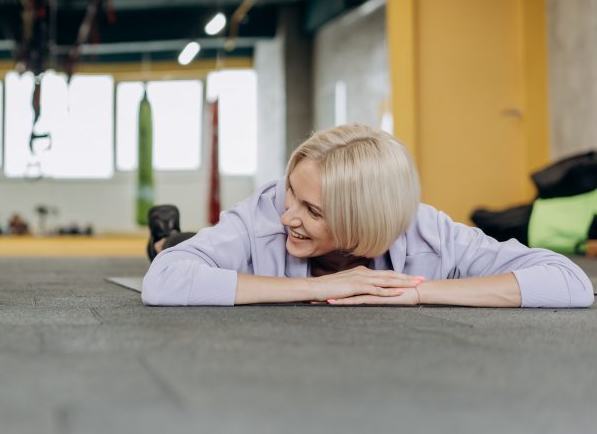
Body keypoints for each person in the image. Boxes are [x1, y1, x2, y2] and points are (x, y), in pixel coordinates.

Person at [143, 124, 594, 308]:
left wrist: (420, 293)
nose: (288, 217)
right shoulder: (263, 214)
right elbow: (164, 281)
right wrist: (316, 287)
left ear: (365, 221)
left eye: (312, 210)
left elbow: (570, 283)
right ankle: (167, 233)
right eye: (292, 195)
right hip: (228, 247)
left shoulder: (427, 231)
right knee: (174, 250)